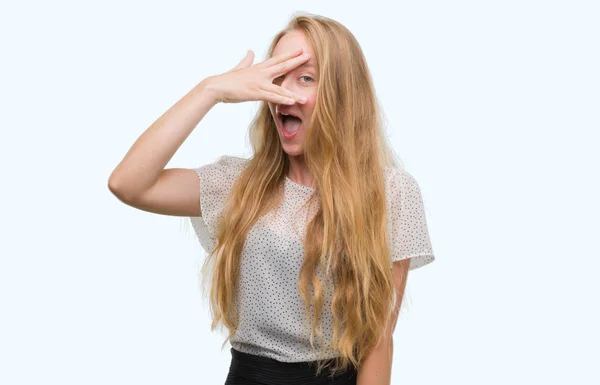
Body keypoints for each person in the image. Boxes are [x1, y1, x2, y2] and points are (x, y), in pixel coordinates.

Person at [108, 12, 435, 385]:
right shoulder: (237, 184)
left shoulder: (391, 192)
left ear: (343, 93)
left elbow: (378, 340)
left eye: (305, 78)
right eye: (276, 78)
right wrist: (210, 90)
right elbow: (128, 183)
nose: (283, 93)